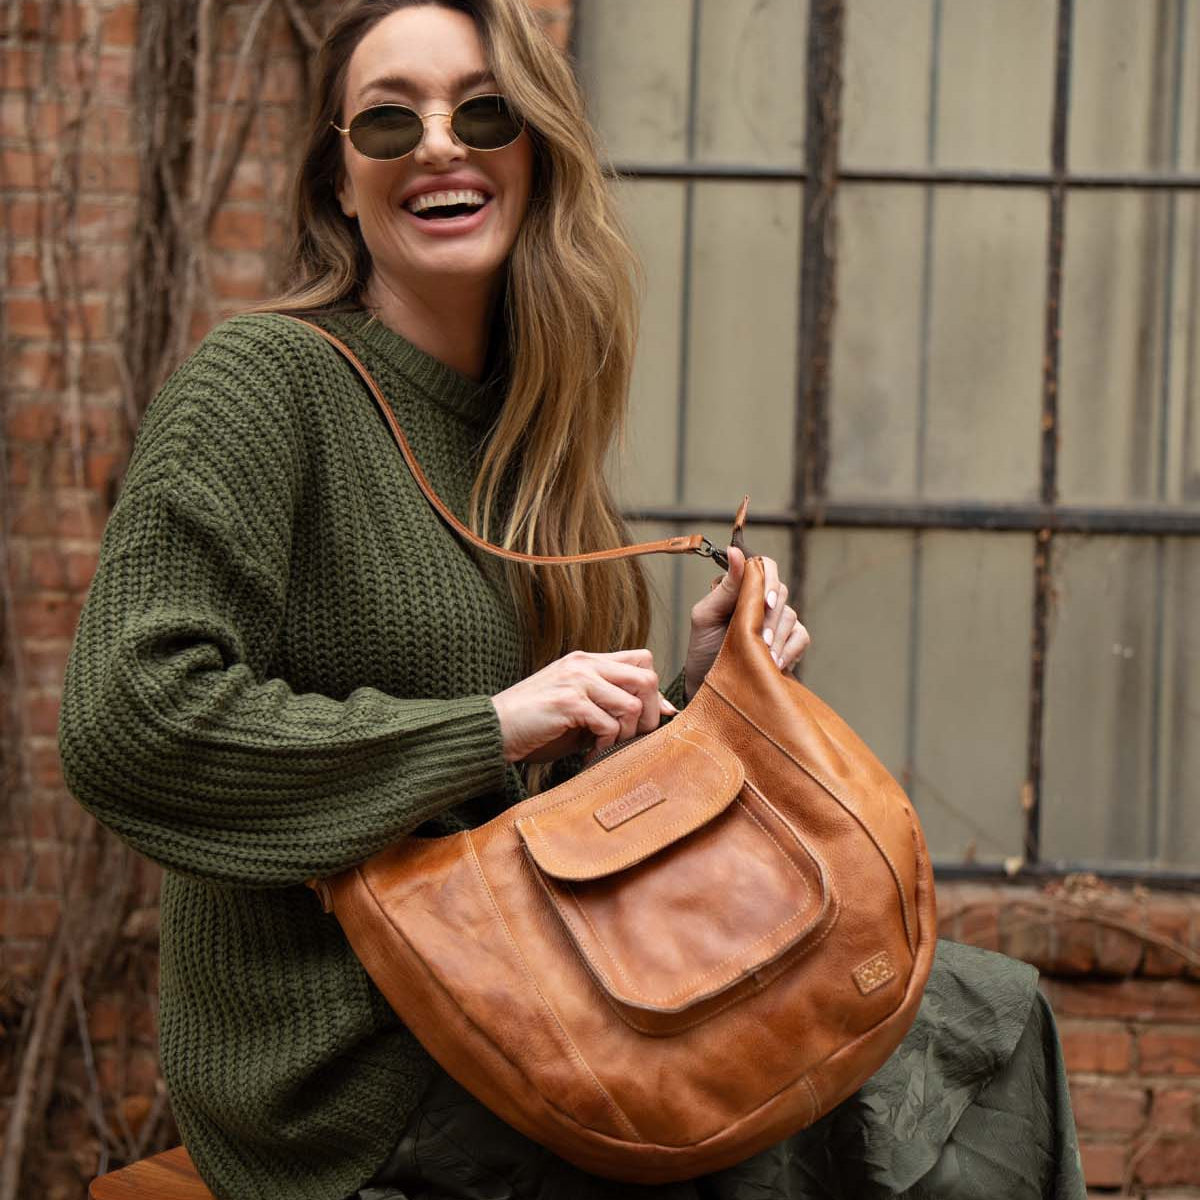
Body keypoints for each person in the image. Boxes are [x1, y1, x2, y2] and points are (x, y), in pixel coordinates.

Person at [57, 1, 1087, 1197]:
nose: (439, 145)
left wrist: (706, 703)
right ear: (341, 184)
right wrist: (487, 724)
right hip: (355, 1061)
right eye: (389, 123)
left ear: (534, 150)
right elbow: (126, 720)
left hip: (551, 979)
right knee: (785, 1124)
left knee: (992, 1016)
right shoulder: (263, 385)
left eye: (482, 111)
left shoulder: (531, 448)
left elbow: (554, 819)